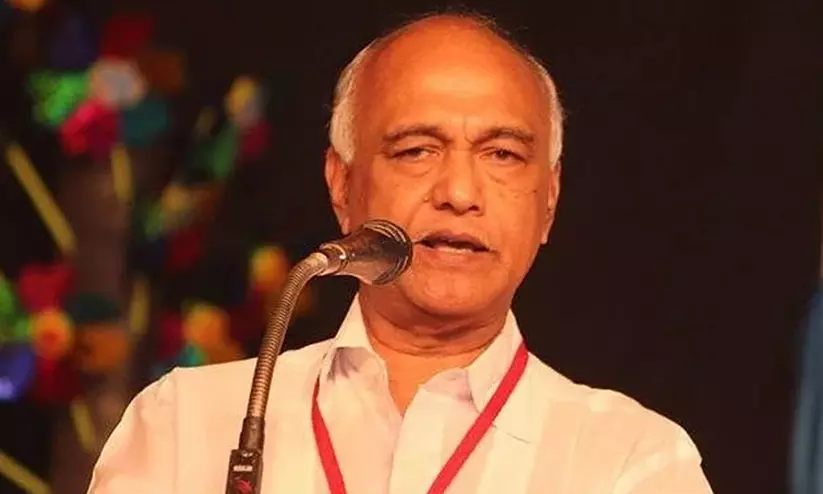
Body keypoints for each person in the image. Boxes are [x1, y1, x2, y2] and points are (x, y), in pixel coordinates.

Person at [87, 12, 713, 494]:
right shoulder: (187, 424)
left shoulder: (628, 462)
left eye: (502, 155)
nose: (459, 193)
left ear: (548, 202)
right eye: (416, 150)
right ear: (342, 186)